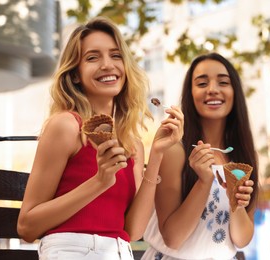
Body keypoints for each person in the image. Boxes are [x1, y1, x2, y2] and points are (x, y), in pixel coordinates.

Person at [17, 16, 183, 260]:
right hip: (70, 250)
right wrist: (99, 182)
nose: (107, 65)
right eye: (93, 58)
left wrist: (157, 154)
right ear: (75, 74)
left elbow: (133, 231)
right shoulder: (66, 126)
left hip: (119, 252)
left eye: (116, 56)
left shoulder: (132, 143)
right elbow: (27, 227)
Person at [142, 53, 258, 260]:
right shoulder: (174, 151)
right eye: (202, 83)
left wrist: (236, 204)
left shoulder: (243, 158)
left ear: (235, 92)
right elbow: (173, 238)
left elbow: (242, 240)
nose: (213, 89)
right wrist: (204, 182)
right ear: (190, 93)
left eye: (223, 82)